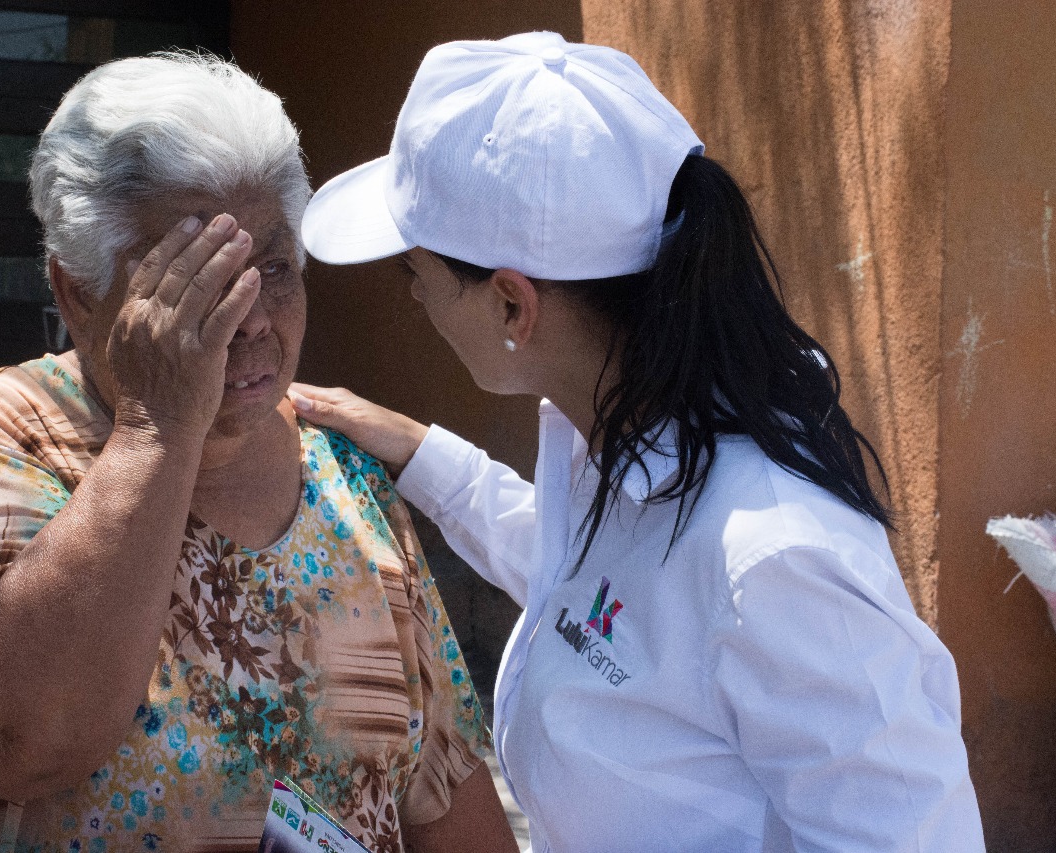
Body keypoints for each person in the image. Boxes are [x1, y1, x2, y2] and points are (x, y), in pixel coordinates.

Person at [294, 31, 984, 852]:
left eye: (419, 280)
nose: (418, 301)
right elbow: (591, 591)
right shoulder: (621, 429)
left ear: (513, 305)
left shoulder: (776, 560)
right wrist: (420, 453)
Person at [0, 52, 516, 853]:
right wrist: (159, 425)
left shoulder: (344, 476)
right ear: (77, 288)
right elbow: (16, 743)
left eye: (274, 269)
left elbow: (443, 790)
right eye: (196, 283)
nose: (249, 318)